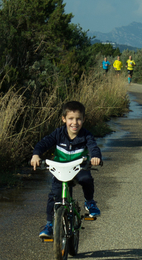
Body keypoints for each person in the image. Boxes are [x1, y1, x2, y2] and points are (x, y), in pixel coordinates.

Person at [31, 101, 103, 239]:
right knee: (55, 196)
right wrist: (36, 155)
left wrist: (95, 157)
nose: (74, 123)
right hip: (60, 169)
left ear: (83, 119)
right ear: (64, 119)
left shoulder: (86, 135)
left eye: (78, 119)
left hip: (79, 168)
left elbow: (93, 147)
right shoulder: (58, 133)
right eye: (70, 119)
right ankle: (50, 224)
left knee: (86, 179)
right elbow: (44, 143)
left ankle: (90, 202)